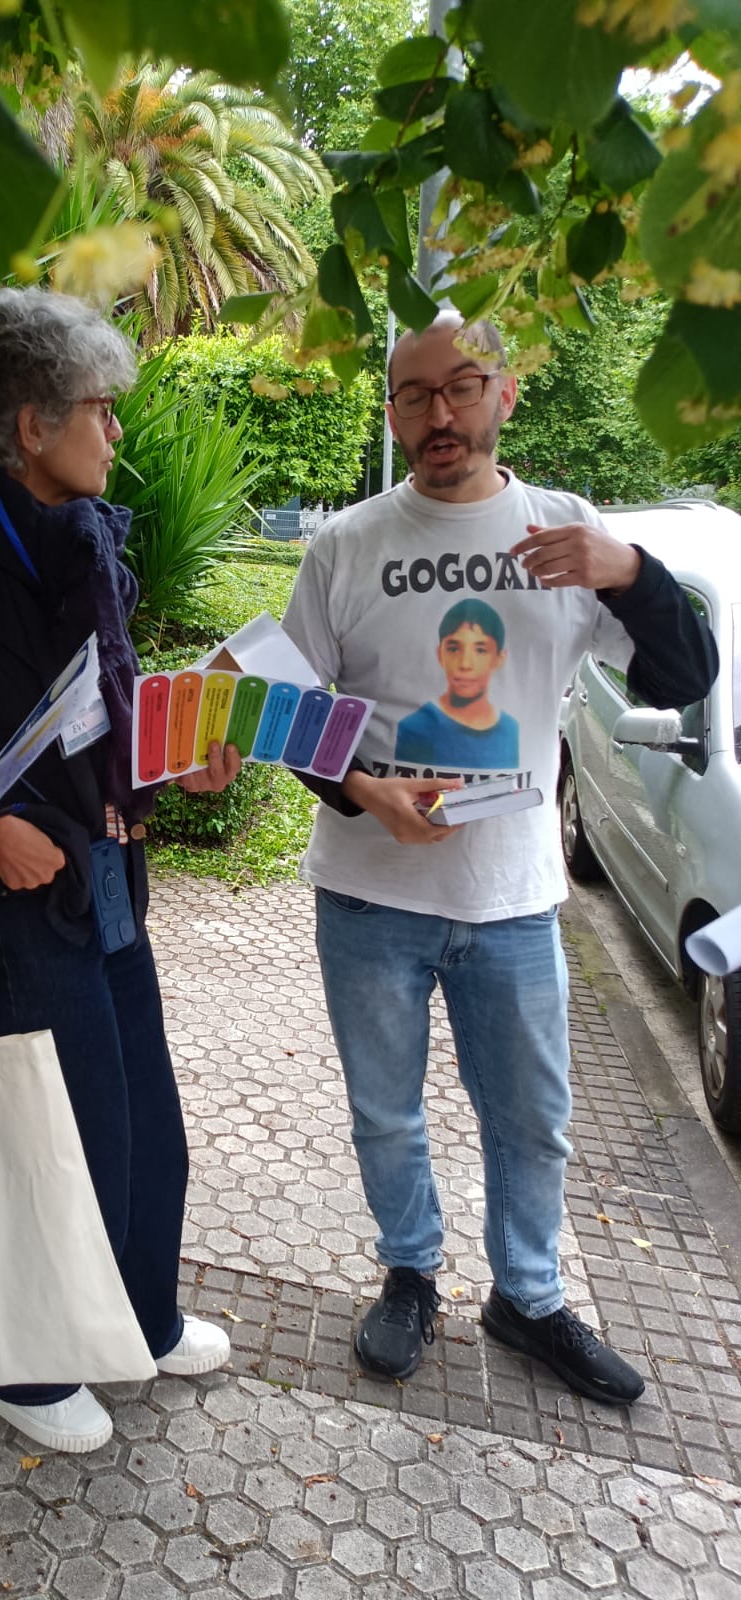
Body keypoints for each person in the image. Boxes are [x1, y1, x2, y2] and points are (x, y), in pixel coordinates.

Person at [282, 311, 717, 1406]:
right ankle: (410, 1272)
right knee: (385, 1109)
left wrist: (629, 568)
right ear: (391, 407)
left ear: (504, 393)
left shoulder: (566, 533)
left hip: (515, 899)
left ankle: (528, 1297)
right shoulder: (346, 545)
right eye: (413, 394)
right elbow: (285, 707)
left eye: (461, 386)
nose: (438, 413)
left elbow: (681, 671)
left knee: (530, 1114)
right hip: (369, 891)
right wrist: (358, 786)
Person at [0, 285, 240, 1454]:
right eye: (100, 407)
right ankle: (22, 1367)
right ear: (29, 426)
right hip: (20, 902)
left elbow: (95, 723)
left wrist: (171, 768)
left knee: (140, 1120)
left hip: (106, 880)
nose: (117, 429)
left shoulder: (76, 547)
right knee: (50, 1131)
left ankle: (133, 1315)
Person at [394, 598, 519, 767]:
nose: (465, 664)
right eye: (453, 649)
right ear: (440, 655)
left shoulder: (511, 730)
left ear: (499, 658)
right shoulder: (414, 728)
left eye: (480, 650)